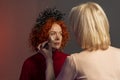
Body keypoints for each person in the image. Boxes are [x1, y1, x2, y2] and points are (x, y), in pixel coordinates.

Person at [56, 2, 120, 80]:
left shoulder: (74, 61)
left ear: (80, 30)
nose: (72, 31)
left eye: (74, 27)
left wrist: (48, 61)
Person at [19, 8, 69, 80]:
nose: (58, 37)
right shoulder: (29, 63)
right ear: (43, 35)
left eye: (60, 33)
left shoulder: (68, 60)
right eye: (53, 33)